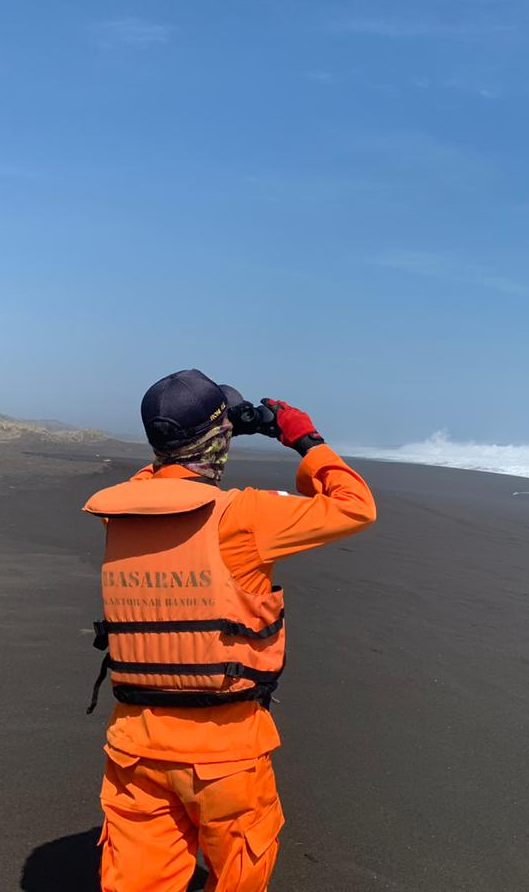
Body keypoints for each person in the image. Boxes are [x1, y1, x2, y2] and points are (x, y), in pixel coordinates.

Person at [82, 369, 376, 892]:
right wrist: (304, 439)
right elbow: (355, 505)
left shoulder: (120, 512)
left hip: (135, 748)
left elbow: (153, 483)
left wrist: (201, 438)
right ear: (219, 437)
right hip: (226, 755)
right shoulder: (245, 516)